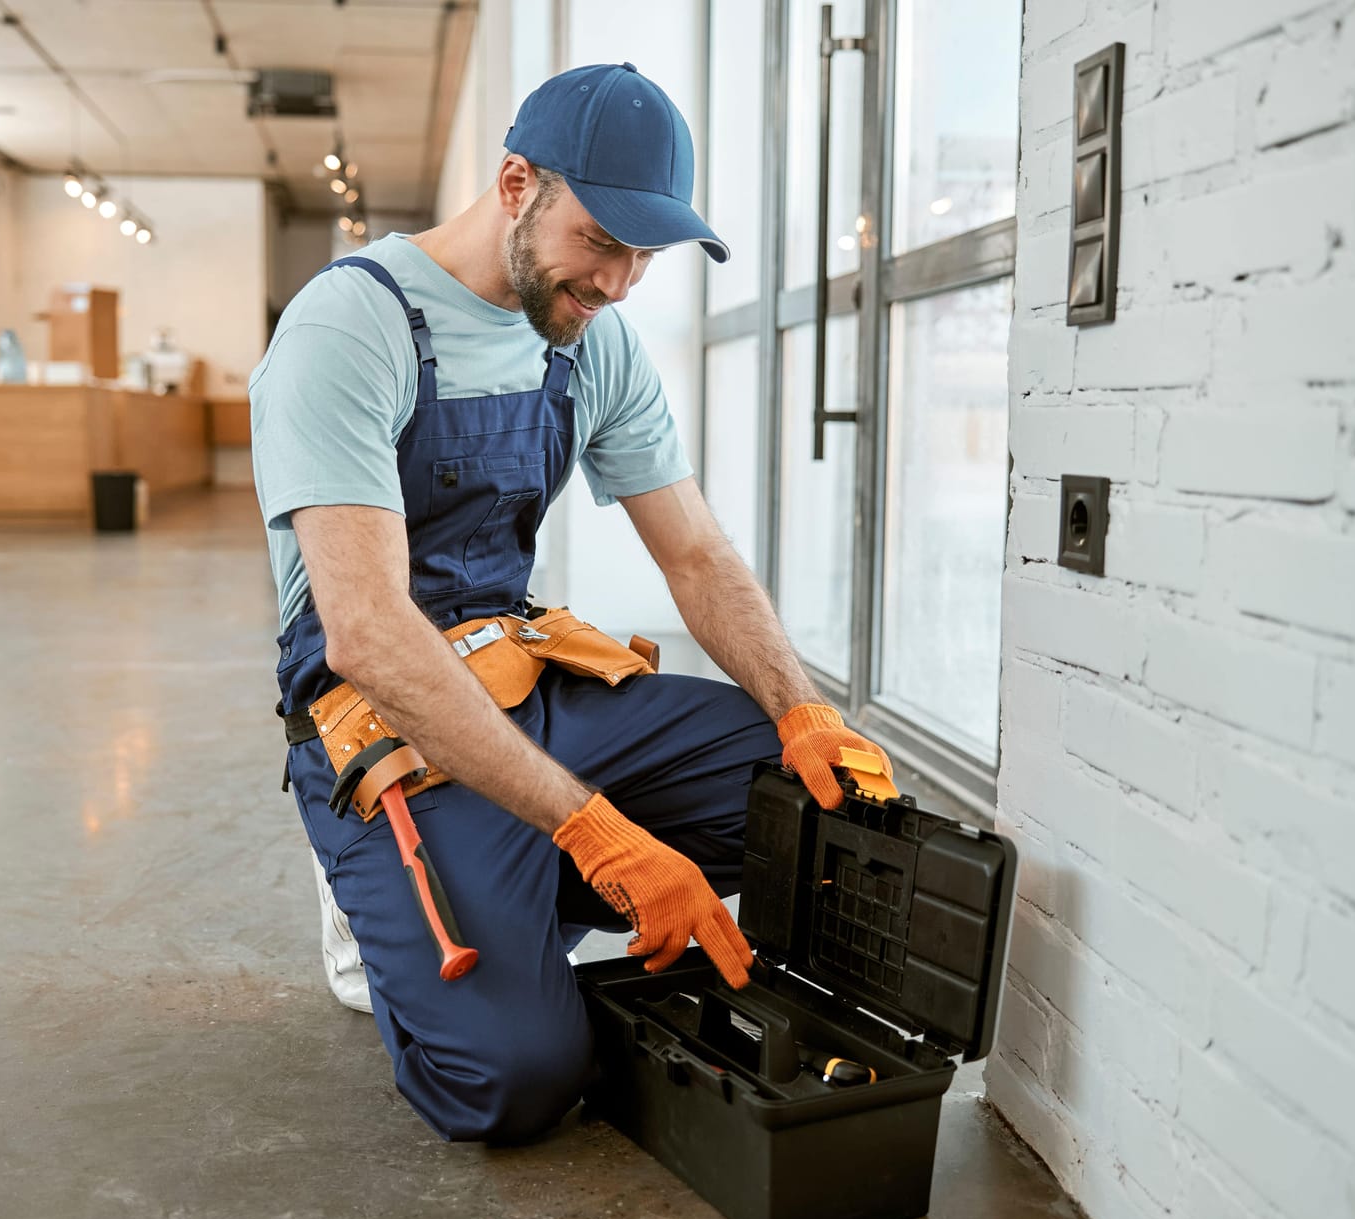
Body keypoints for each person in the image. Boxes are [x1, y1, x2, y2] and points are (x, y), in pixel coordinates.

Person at [250, 62, 894, 1144]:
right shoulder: (349, 329)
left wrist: (801, 707)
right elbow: (365, 631)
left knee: (802, 793)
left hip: (519, 672)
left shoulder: (592, 344)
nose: (620, 282)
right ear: (515, 184)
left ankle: (510, 880)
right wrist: (594, 828)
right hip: (387, 719)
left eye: (645, 253)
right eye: (600, 240)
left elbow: (694, 552)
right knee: (517, 1081)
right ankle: (398, 905)